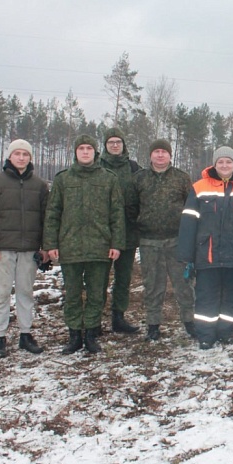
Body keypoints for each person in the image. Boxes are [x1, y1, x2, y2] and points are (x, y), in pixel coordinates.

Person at [178, 146, 233, 350]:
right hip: (206, 254)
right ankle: (206, 336)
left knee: (231, 297)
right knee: (206, 297)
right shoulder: (199, 187)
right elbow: (188, 223)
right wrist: (186, 255)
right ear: (214, 164)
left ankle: (227, 333)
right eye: (221, 162)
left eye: (228, 162)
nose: (224, 165)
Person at [44, 135, 126, 354]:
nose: (86, 152)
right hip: (70, 247)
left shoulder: (108, 179)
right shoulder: (63, 180)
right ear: (75, 152)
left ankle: (90, 333)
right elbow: (53, 213)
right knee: (71, 294)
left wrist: (116, 243)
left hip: (100, 247)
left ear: (95, 152)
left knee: (96, 293)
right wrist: (51, 243)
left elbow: (117, 214)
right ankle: (74, 335)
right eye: (82, 148)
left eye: (89, 148)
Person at [0, 139, 49, 358]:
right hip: (3, 250)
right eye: (17, 154)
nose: (21, 158)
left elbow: (47, 218)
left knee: (26, 293)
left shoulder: (39, 186)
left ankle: (25, 335)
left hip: (29, 250)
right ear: (9, 156)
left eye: (25, 154)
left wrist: (45, 247)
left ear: (30, 158)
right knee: (2, 293)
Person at [134, 139, 196, 341]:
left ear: (170, 155)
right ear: (150, 155)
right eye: (156, 152)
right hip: (149, 242)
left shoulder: (181, 178)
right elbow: (131, 209)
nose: (160, 155)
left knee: (184, 285)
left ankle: (189, 322)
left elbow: (192, 209)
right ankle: (153, 325)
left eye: (164, 152)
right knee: (153, 286)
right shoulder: (139, 178)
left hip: (178, 241)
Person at [99, 128, 141, 334]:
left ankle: (118, 317)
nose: (115, 145)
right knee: (99, 278)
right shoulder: (96, 167)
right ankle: (94, 320)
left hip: (128, 232)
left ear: (124, 145)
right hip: (102, 233)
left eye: (118, 142)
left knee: (123, 278)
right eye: (111, 142)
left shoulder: (133, 168)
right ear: (105, 145)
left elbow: (143, 194)